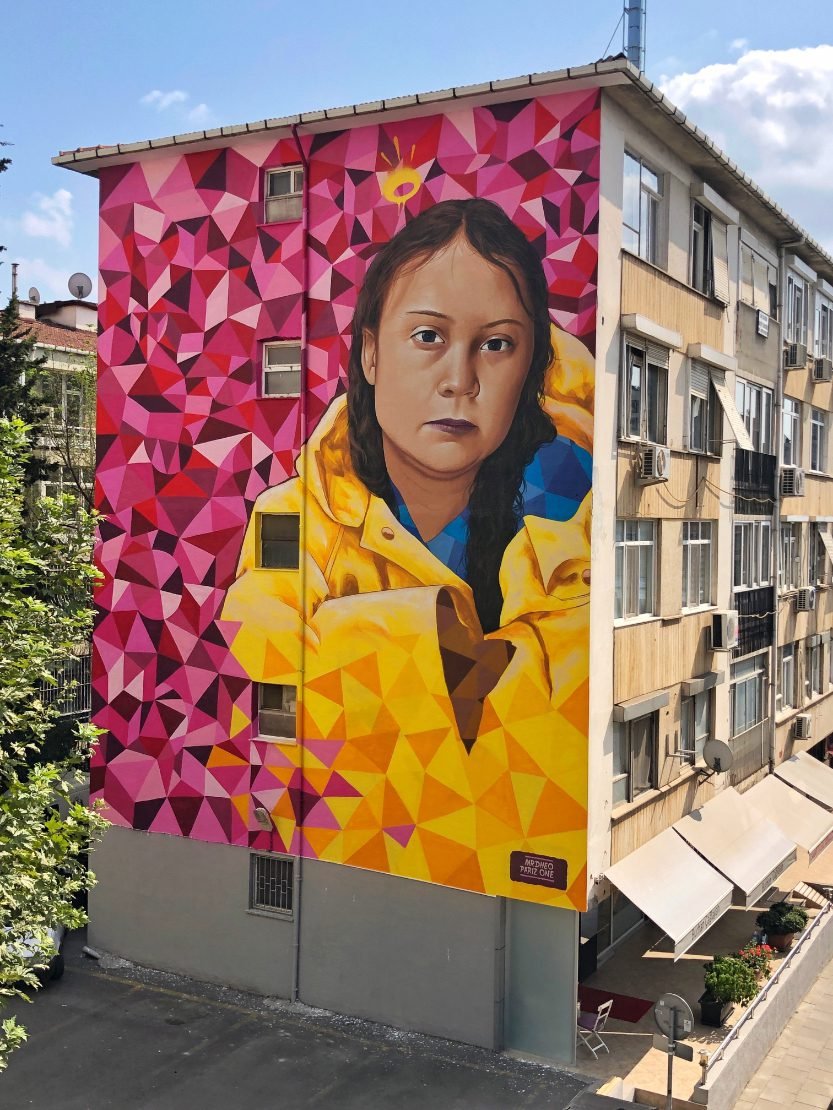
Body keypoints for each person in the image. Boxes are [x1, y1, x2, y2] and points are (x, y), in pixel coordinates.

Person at [222, 198, 593, 904]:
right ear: (370, 352)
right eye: (427, 336)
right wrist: (457, 649)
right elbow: (263, 683)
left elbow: (555, 721)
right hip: (349, 879)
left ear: (532, 368)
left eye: (497, 345)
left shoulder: (578, 518)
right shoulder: (291, 520)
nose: (460, 379)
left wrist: (363, 640)